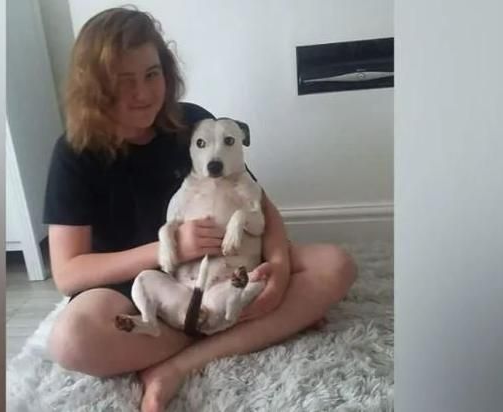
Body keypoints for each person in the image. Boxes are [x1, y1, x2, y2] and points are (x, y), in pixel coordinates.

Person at [43, 6, 357, 412]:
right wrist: (167, 249)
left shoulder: (193, 125)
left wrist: (278, 268)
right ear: (96, 87)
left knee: (337, 265)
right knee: (72, 340)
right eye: (124, 82)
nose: (142, 94)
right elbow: (69, 273)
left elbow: (258, 200)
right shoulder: (73, 153)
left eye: (151, 74)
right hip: (138, 290)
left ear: (166, 71)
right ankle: (249, 326)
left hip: (229, 268)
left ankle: (177, 365)